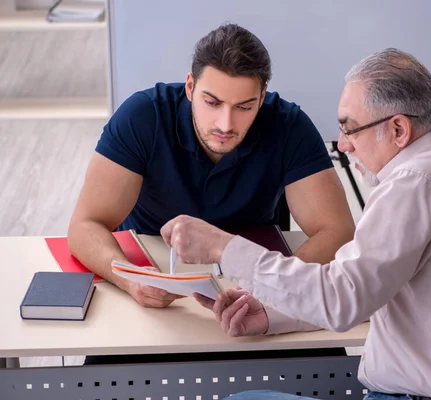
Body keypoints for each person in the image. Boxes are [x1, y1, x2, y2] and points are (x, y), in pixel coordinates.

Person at [161, 48, 431, 400]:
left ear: (399, 129)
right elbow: (361, 289)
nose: (344, 146)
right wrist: (270, 313)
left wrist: (222, 247)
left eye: (351, 130)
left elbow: (341, 299)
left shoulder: (416, 183)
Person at [69, 23, 355, 365]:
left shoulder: (288, 124)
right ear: (190, 87)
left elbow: (338, 231)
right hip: (156, 280)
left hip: (250, 281)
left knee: (329, 367)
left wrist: (272, 287)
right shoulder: (143, 115)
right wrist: (131, 280)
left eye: (244, 107)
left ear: (262, 97)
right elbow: (85, 224)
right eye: (212, 102)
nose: (225, 124)